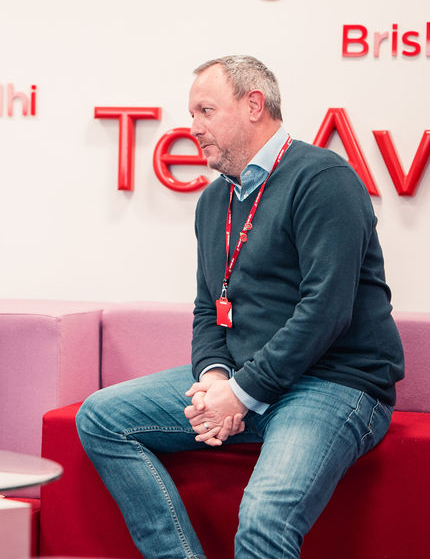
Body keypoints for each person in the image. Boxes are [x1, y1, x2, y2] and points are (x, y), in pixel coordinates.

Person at [76, 56, 405, 559]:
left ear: (255, 105)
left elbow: (326, 311)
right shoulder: (214, 201)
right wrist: (213, 378)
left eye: (206, 111)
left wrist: (244, 392)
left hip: (336, 383)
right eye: (191, 114)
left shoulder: (323, 178)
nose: (193, 127)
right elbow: (209, 306)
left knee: (263, 519)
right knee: (101, 417)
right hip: (247, 381)